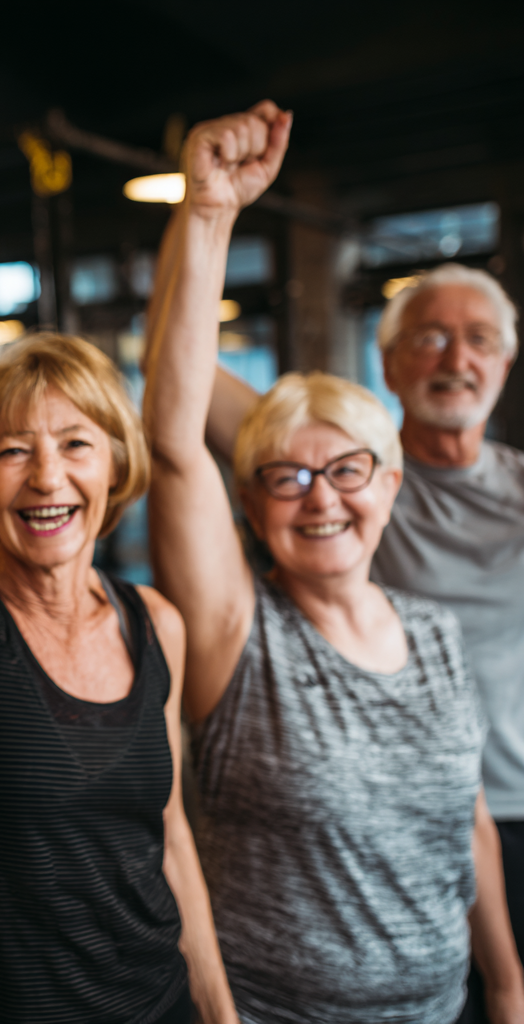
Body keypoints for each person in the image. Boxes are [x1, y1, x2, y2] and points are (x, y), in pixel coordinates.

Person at [143, 101, 524, 1024]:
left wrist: (508, 986)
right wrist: (207, 212)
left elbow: (468, 817)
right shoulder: (243, 630)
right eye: (288, 475)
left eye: (346, 471)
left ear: (387, 482)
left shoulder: (433, 635)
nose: (320, 496)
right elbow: (177, 435)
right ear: (252, 497)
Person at [0, 45, 236, 1024]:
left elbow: (166, 843)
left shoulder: (151, 621)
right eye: (9, 450)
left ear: (113, 466)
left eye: (75, 443)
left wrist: (220, 1011)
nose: (47, 475)